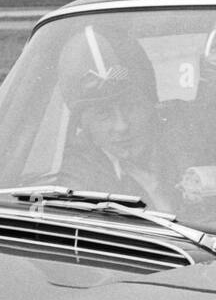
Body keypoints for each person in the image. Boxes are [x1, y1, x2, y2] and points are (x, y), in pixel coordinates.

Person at [55, 27, 181, 212]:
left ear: (150, 106)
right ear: (83, 124)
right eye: (103, 114)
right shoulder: (74, 177)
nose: (121, 126)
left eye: (131, 107)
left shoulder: (187, 142)